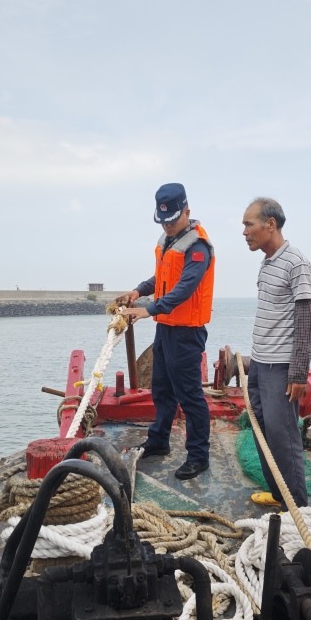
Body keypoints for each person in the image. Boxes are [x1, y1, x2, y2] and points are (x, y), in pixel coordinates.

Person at [118, 183, 215, 480]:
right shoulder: (169, 240)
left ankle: (198, 456)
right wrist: (138, 291)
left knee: (190, 396)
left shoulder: (198, 247)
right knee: (161, 389)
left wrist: (149, 309)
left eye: (172, 220)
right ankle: (159, 440)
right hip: (166, 329)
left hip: (187, 333)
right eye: (163, 221)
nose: (168, 226)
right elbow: (161, 277)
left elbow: (185, 287)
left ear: (187, 211)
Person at [241, 197, 311, 509]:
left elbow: (306, 320)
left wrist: (298, 373)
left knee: (283, 436)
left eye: (249, 224)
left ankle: (296, 508)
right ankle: (278, 493)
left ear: (270, 224)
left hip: (281, 367)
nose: (244, 232)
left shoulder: (296, 263)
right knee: (261, 429)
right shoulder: (268, 261)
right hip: (260, 363)